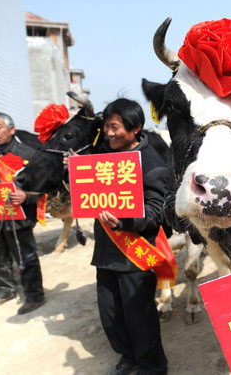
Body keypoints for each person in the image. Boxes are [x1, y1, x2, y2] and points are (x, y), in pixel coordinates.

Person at [89, 99, 169, 375]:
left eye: (114, 127)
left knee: (139, 317)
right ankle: (128, 356)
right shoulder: (102, 156)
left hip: (135, 252)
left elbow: (156, 212)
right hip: (106, 252)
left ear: (135, 128)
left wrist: (125, 221)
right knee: (110, 315)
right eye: (106, 127)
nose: (109, 133)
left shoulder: (152, 164)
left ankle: (153, 366)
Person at [0, 112, 45, 314]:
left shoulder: (27, 154)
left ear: (11, 129)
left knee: (25, 256)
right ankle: (5, 289)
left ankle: (34, 295)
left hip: (18, 216)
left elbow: (44, 187)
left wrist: (27, 197)